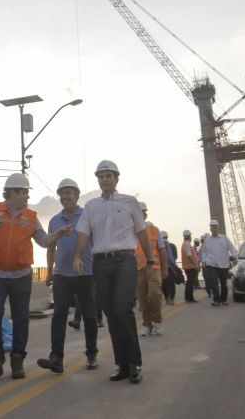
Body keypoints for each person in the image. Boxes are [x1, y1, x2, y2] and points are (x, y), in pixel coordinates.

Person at [0, 173, 71, 379]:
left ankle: (17, 359)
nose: (27, 196)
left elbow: (44, 241)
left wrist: (58, 234)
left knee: (21, 319)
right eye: (24, 193)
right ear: (12, 193)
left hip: (21, 276)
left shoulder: (31, 217)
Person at [72, 160, 154, 384]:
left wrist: (150, 258)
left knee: (122, 308)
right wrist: (78, 256)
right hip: (101, 263)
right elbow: (83, 233)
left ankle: (134, 363)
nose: (105, 179)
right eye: (101, 176)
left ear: (116, 178)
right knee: (110, 313)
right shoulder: (91, 207)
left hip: (124, 261)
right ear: (98, 180)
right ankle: (122, 365)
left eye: (109, 175)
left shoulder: (130, 202)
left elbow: (141, 231)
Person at [38, 178, 99, 374]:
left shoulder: (87, 216)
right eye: (62, 193)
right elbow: (50, 247)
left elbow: (97, 242)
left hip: (85, 273)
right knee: (59, 314)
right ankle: (56, 358)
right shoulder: (54, 220)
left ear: (77, 195)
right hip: (61, 274)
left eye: (69, 193)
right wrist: (50, 272)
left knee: (89, 315)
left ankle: (91, 353)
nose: (65, 196)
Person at [136, 202, 168, 336]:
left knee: (154, 294)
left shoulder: (154, 230)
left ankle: (158, 321)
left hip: (154, 268)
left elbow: (162, 250)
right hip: (138, 270)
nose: (142, 214)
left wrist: (165, 269)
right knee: (142, 299)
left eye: (143, 211)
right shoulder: (130, 230)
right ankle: (147, 325)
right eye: (140, 211)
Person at [200, 220, 237, 306]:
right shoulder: (207, 240)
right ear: (210, 229)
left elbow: (232, 248)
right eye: (212, 227)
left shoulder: (224, 238)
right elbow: (204, 252)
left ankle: (224, 300)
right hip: (212, 265)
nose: (213, 229)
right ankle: (216, 300)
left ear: (218, 228)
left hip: (223, 264)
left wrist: (235, 257)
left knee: (224, 284)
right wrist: (204, 261)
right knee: (214, 283)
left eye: (215, 227)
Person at [161, 231, 181, 305]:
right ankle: (172, 299)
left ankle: (167, 298)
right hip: (171, 267)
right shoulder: (172, 246)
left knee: (164, 283)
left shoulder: (159, 246)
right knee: (171, 283)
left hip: (162, 267)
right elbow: (175, 257)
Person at [181, 230, 200, 303]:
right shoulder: (187, 244)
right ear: (189, 236)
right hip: (190, 267)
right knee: (190, 283)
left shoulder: (185, 244)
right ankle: (189, 298)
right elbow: (189, 256)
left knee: (190, 283)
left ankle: (189, 298)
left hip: (188, 267)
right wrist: (195, 264)